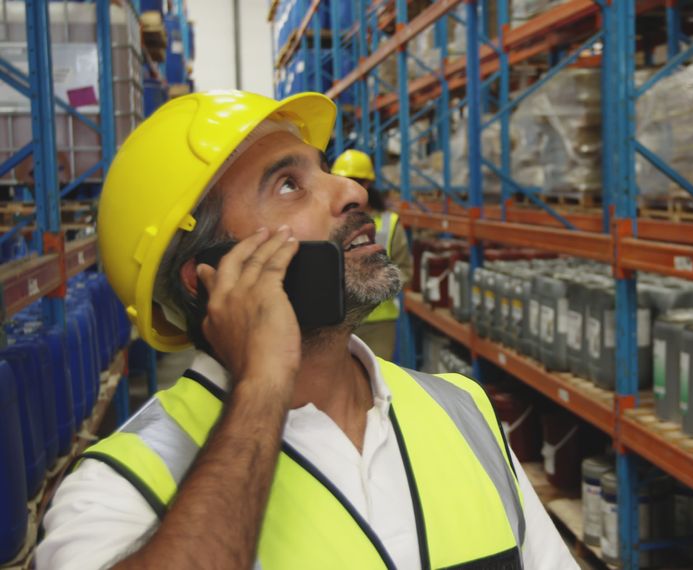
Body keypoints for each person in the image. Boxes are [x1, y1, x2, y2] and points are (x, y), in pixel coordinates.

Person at [37, 91, 576, 569]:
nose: (351, 191)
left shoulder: (465, 411)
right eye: (289, 184)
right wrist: (263, 385)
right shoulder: (119, 485)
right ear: (210, 276)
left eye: (324, 169)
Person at [330, 149, 412, 360]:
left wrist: (374, 286)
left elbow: (406, 271)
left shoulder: (389, 222)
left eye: (355, 181)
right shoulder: (330, 220)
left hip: (378, 323)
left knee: (375, 383)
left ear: (367, 185)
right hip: (336, 320)